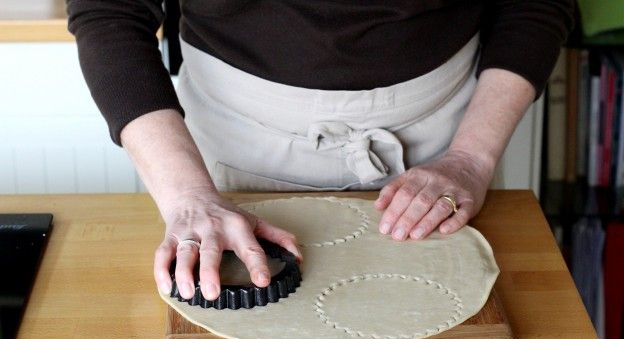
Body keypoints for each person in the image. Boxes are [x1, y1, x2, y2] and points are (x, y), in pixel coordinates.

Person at [67, 0, 573, 302]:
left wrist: (471, 159)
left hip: (447, 138)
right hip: (225, 149)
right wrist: (188, 197)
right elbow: (109, 12)